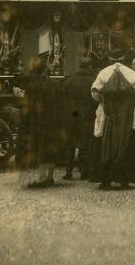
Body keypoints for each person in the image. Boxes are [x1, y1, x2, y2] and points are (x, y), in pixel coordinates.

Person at [91, 49, 135, 190]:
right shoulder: (132, 74)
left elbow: (95, 94)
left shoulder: (103, 73)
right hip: (127, 117)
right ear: (124, 59)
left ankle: (105, 181)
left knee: (106, 144)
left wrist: (104, 100)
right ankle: (124, 180)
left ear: (109, 59)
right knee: (126, 143)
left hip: (108, 115)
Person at [18, 55, 68, 188]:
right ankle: (50, 177)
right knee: (51, 148)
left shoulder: (32, 86)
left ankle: (41, 179)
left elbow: (28, 107)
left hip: (38, 122)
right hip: (54, 122)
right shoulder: (56, 84)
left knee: (40, 148)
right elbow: (62, 104)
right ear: (45, 70)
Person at [64, 57, 97, 180]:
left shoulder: (70, 80)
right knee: (87, 143)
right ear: (89, 66)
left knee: (71, 144)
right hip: (88, 115)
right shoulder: (93, 81)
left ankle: (68, 172)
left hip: (72, 115)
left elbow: (65, 97)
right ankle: (84, 171)